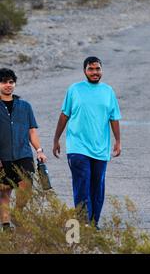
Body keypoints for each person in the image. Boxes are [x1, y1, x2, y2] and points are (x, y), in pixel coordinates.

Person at [53, 57, 121, 228]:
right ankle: (84, 223)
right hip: (77, 147)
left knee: (97, 187)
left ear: (101, 70)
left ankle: (94, 222)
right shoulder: (75, 90)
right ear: (84, 71)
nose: (95, 72)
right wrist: (56, 139)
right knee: (82, 183)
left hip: (100, 148)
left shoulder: (108, 91)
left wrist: (118, 141)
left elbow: (114, 118)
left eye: (97, 69)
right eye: (91, 69)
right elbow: (64, 115)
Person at [0, 68, 47, 231]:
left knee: (26, 186)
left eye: (11, 82)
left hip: (23, 154)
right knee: (4, 191)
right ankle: (6, 227)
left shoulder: (25, 106)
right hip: (2, 156)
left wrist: (39, 150)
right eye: (4, 82)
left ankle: (17, 213)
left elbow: (32, 131)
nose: (8, 85)